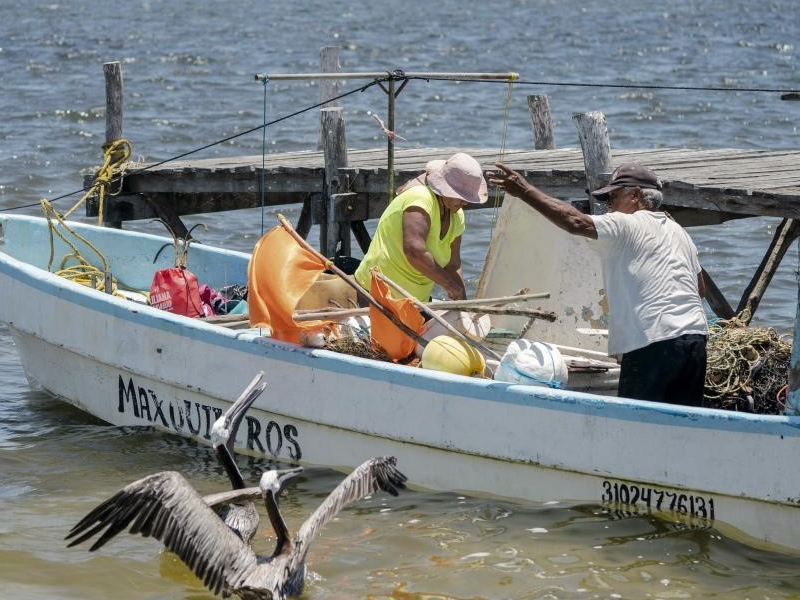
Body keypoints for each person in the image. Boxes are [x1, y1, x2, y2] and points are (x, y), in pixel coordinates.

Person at [489, 162, 708, 406]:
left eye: (613, 197)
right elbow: (700, 289)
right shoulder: (680, 233)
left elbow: (576, 222)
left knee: (636, 426)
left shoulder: (626, 223)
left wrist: (523, 190)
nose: (608, 206)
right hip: (695, 341)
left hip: (652, 343)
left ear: (635, 195)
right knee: (683, 425)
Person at [354, 152, 488, 302]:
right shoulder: (420, 198)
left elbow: (453, 264)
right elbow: (414, 251)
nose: (465, 203)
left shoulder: (457, 216)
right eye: (461, 197)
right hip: (378, 293)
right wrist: (450, 285)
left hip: (416, 301)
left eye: (467, 199)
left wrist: (462, 301)